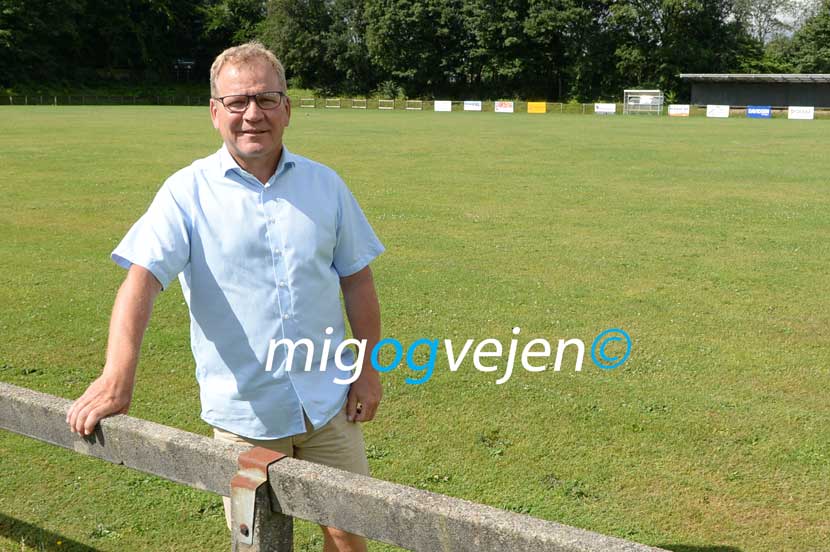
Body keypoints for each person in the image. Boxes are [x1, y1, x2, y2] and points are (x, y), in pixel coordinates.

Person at [65, 42, 383, 552]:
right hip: (245, 417)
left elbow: (357, 280)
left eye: (266, 98)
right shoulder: (185, 192)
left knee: (349, 537)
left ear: (287, 108)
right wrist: (116, 375)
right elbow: (141, 280)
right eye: (237, 101)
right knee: (257, 545)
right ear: (215, 112)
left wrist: (366, 369)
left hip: (329, 404)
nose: (253, 114)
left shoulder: (326, 185)